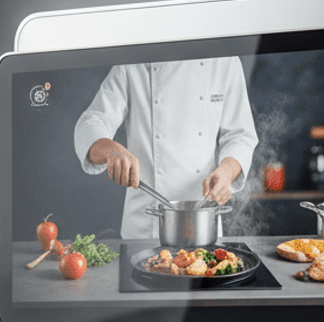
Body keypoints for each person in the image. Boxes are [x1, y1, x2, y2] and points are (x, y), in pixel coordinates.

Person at [73, 57, 258, 239]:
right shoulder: (133, 62)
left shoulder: (224, 60)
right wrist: (109, 149)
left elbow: (240, 135)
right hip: (146, 226)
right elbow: (91, 121)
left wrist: (227, 172)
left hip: (203, 224)